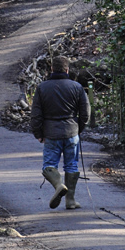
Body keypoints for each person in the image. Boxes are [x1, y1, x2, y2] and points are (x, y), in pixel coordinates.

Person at [30, 55, 91, 210]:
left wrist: (38, 133)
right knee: (71, 165)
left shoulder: (42, 88)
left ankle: (58, 185)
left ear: (51, 69)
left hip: (51, 134)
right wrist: (79, 128)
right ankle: (70, 201)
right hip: (72, 132)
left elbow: (36, 114)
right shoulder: (77, 87)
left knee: (48, 165)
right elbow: (85, 113)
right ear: (67, 69)